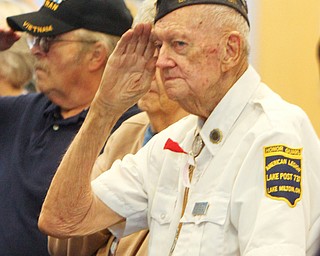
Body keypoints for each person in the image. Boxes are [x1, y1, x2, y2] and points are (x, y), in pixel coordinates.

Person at [39, 0, 320, 255]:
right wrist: (104, 109)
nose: (160, 62)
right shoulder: (177, 141)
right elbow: (62, 219)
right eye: (159, 45)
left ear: (230, 51)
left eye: (179, 44)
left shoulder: (273, 135)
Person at [47, 1, 188, 255]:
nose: (151, 65)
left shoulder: (204, 141)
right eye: (143, 50)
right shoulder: (129, 132)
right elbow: (60, 239)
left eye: (169, 48)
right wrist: (103, 107)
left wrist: (105, 221)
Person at [0, 0, 139, 255]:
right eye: (34, 39)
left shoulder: (131, 130)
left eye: (48, 41)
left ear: (96, 55)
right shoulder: (22, 111)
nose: (35, 51)